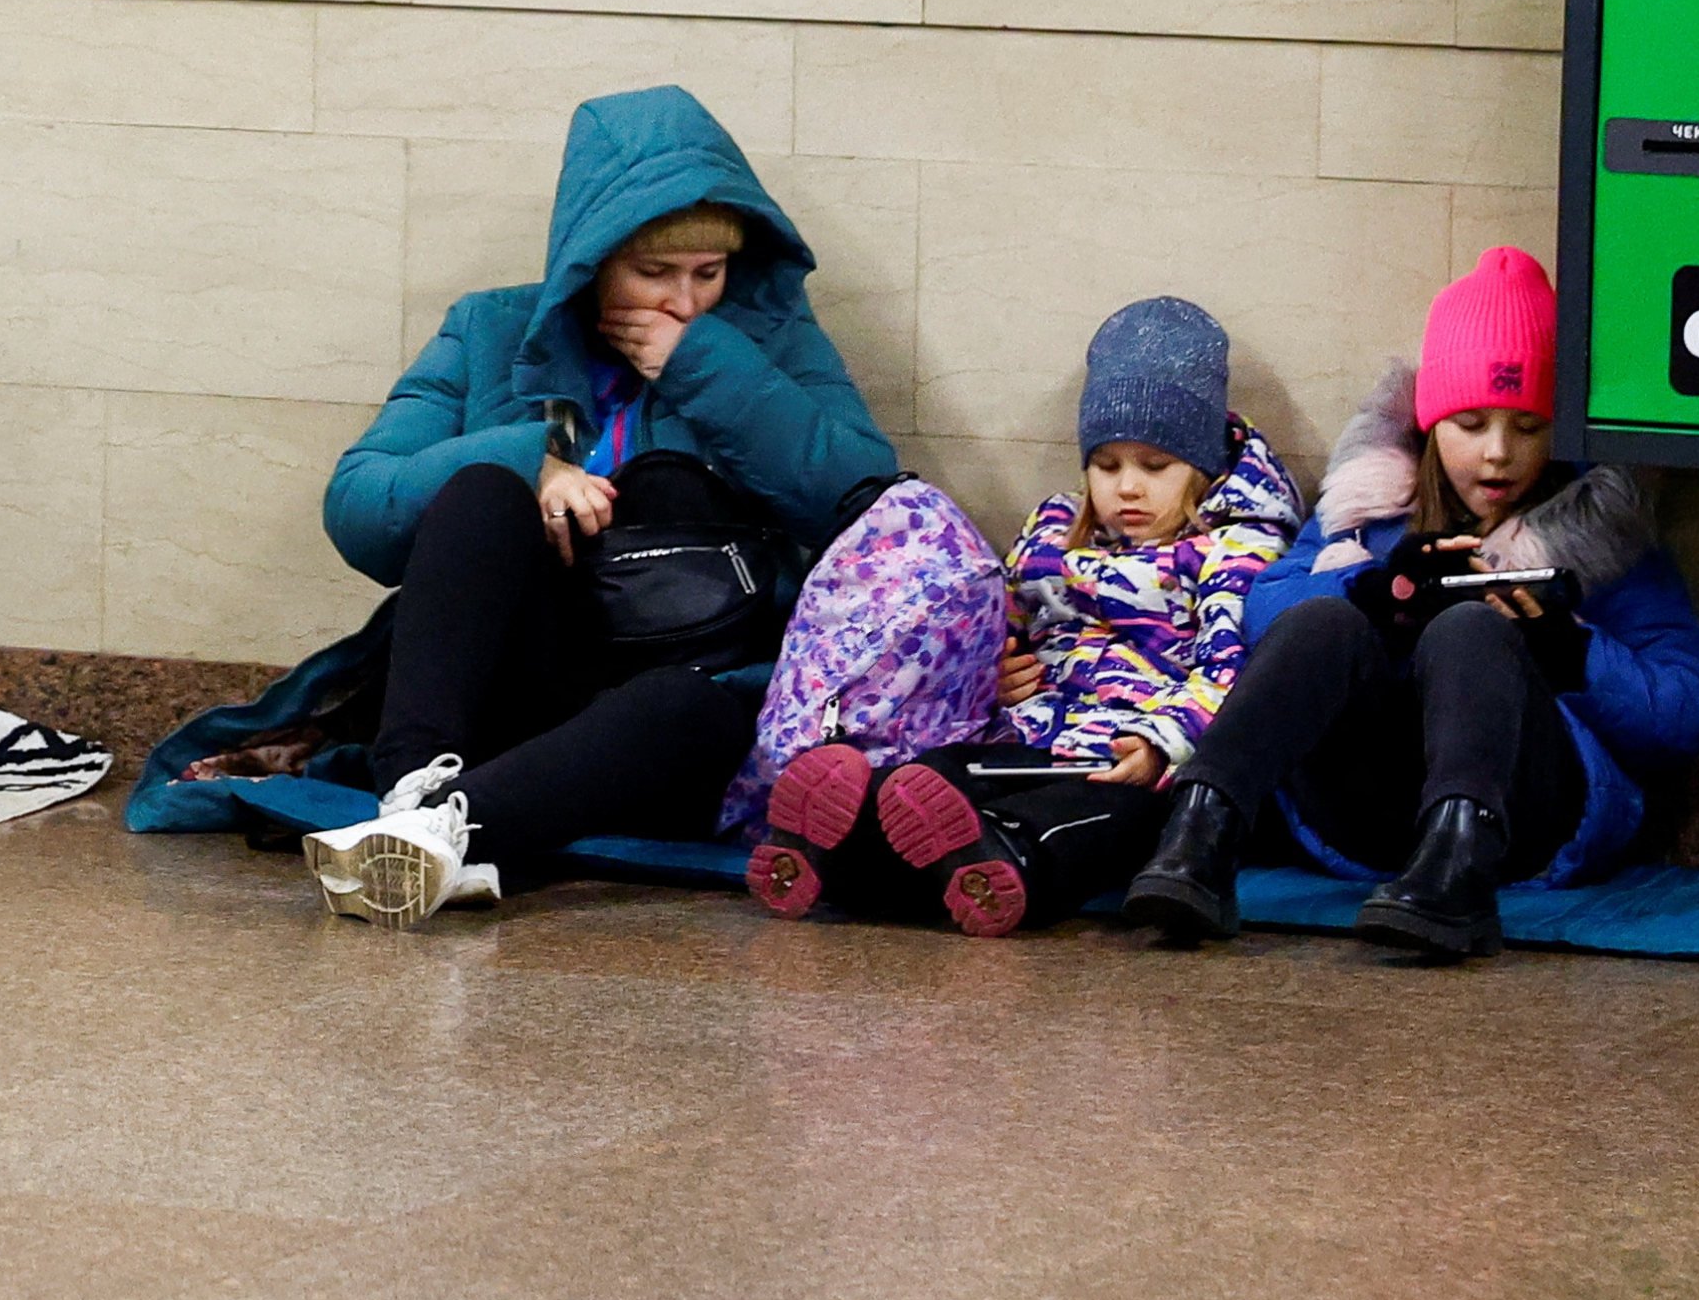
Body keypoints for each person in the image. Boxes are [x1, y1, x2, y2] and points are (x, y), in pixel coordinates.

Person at [278, 87, 902, 928]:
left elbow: (865, 504)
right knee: (478, 493)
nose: (683, 300)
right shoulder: (489, 328)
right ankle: (420, 790)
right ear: (593, 257)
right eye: (653, 272)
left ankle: (436, 832)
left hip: (681, 697)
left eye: (707, 274)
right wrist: (528, 462)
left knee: (682, 705)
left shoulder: (768, 338)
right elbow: (359, 503)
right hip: (526, 676)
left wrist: (706, 364)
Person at [1123, 248, 1699, 962]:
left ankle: (1456, 868)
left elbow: (1689, 710)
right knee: (1323, 619)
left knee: (1470, 626)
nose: (1498, 454)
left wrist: (1569, 647)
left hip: (1523, 819)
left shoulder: (1603, 533)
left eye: (1528, 427)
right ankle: (1198, 831)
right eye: (1471, 423)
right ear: (1431, 424)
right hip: (1368, 812)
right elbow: (1266, 608)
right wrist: (1379, 594)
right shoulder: (1368, 505)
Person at [749, 297, 1296, 937]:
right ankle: (840, 842)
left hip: (1129, 758)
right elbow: (1000, 618)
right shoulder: (1053, 529)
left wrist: (1161, 743)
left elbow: (1229, 670)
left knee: (1106, 815)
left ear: (1201, 469)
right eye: (1107, 464)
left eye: (1155, 467)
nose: (1126, 487)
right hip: (1028, 732)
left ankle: (1003, 861)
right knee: (935, 780)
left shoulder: (1235, 547)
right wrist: (997, 669)